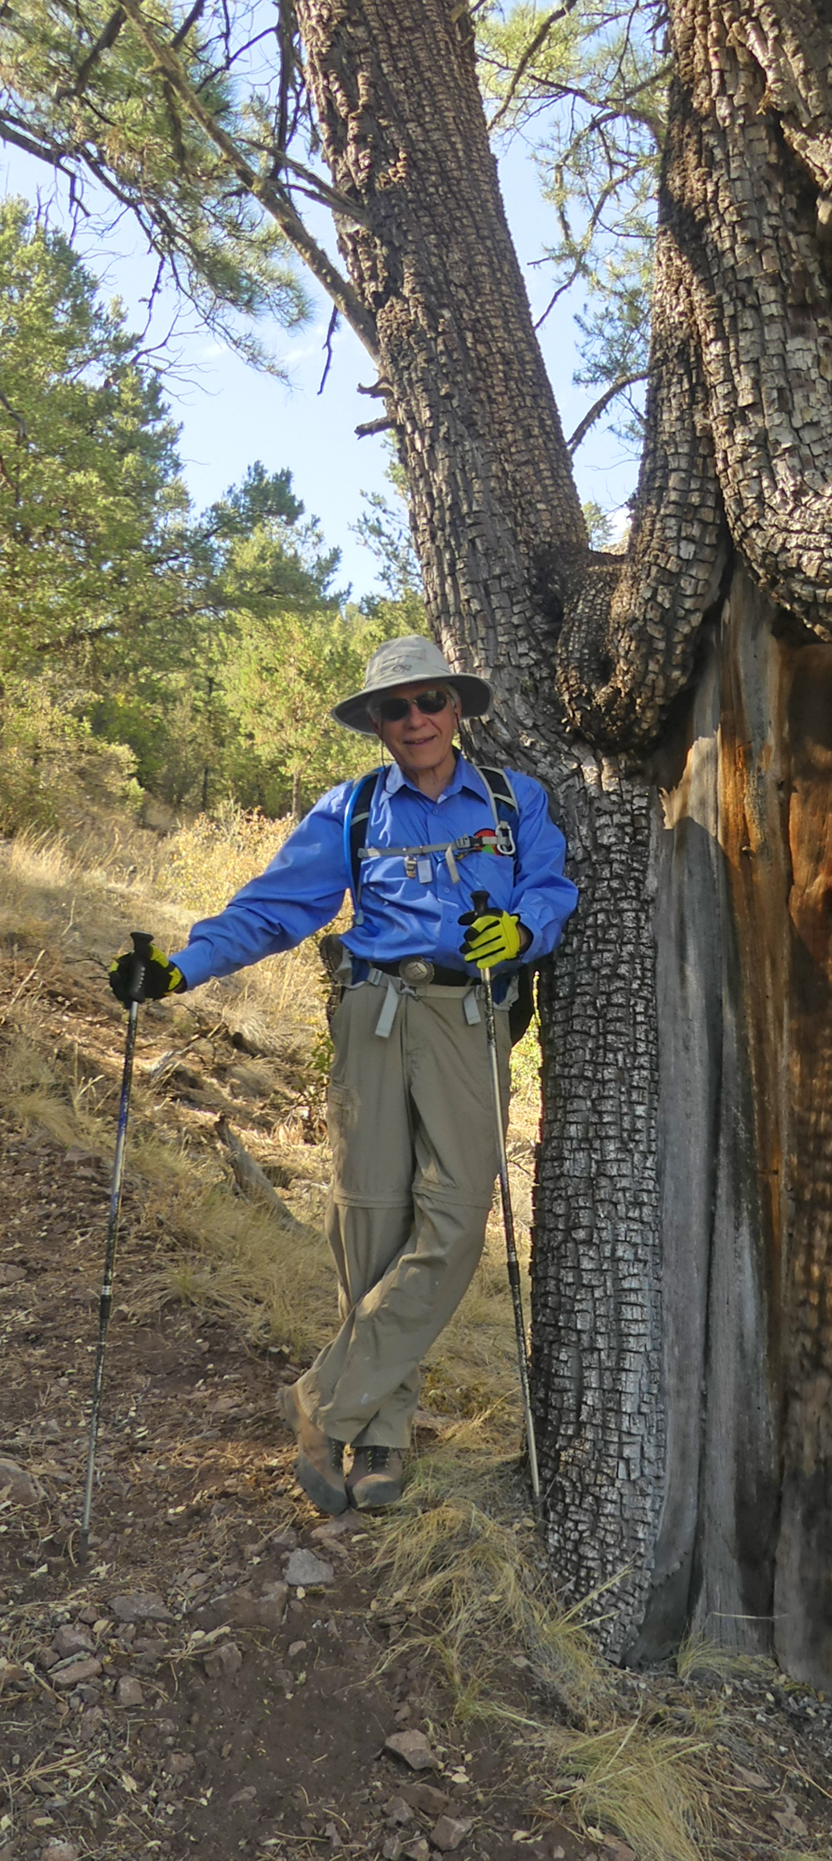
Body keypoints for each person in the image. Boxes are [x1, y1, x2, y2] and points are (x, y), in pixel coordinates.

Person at [108, 635, 577, 1515]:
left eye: (431, 701)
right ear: (375, 723)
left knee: (456, 1223)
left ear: (457, 708)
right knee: (371, 1222)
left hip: (469, 1017)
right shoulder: (354, 809)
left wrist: (521, 931)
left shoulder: (517, 801)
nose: (416, 720)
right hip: (369, 1016)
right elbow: (274, 907)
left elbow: (551, 888)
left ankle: (321, 1398)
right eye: (395, 709)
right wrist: (179, 969)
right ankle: (379, 1436)